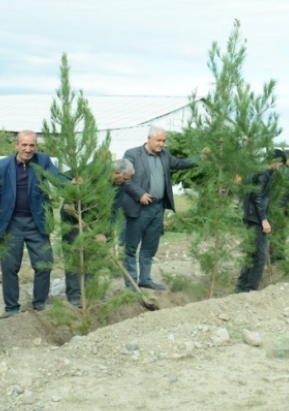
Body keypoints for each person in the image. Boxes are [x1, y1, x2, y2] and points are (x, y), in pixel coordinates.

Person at [0, 130, 62, 318]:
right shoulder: (1, 167)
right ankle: (12, 308)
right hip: (11, 223)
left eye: (32, 145)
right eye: (24, 145)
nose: (28, 149)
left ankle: (40, 303)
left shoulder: (42, 160)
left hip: (37, 222)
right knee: (9, 267)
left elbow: (57, 177)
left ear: (36, 146)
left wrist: (73, 184)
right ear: (16, 145)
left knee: (44, 264)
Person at [121, 126, 198, 290]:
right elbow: (124, 179)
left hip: (157, 208)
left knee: (150, 246)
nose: (162, 144)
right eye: (159, 140)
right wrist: (140, 194)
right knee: (131, 248)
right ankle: (131, 284)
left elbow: (181, 164)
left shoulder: (165, 155)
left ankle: (145, 280)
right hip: (138, 208)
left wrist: (201, 158)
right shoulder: (132, 154)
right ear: (149, 138)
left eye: (164, 141)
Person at [60, 158, 135, 306]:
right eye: (125, 179)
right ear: (116, 172)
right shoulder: (93, 169)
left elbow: (114, 210)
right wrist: (69, 189)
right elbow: (62, 177)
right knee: (75, 256)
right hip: (74, 218)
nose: (126, 182)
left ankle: (91, 292)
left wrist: (104, 233)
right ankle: (75, 295)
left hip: (97, 222)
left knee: (94, 257)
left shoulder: (120, 185)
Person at [236, 149, 287, 292]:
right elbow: (257, 198)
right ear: (275, 161)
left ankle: (241, 287)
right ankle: (250, 289)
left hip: (251, 216)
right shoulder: (262, 174)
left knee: (252, 253)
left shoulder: (261, 172)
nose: (279, 168)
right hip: (255, 218)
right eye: (280, 164)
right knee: (261, 256)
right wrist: (264, 219)